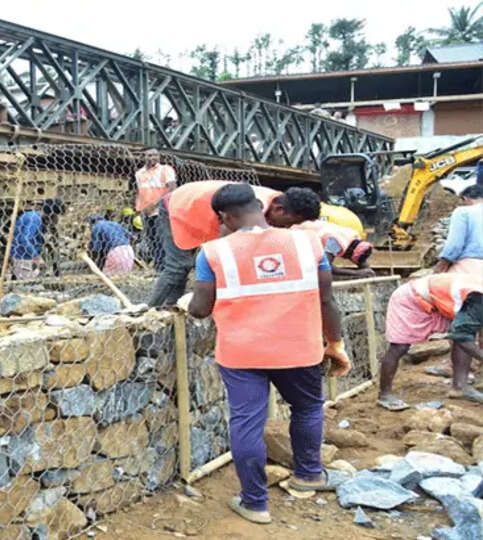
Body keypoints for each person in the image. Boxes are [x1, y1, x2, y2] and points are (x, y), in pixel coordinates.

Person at [183, 183, 349, 525]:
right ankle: (309, 474)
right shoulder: (308, 243)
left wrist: (189, 301)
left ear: (224, 217)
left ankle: (255, 503)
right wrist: (335, 343)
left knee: (246, 422)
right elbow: (326, 299)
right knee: (306, 408)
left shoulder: (213, 252)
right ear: (260, 205)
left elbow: (200, 309)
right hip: (299, 348)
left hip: (242, 353)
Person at [147, 180, 321, 307]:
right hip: (180, 204)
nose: (287, 227)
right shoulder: (252, 207)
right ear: (279, 210)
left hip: (205, 210)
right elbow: (226, 246)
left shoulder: (275, 204)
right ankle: (147, 314)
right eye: (288, 222)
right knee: (178, 266)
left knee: (182, 269)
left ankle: (171, 312)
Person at [377, 273, 483, 410]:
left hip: (440, 301)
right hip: (411, 299)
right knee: (400, 347)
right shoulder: (479, 298)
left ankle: (460, 386)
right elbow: (462, 335)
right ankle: (384, 394)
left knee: (466, 332)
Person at [134, 149, 178, 271]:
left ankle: (166, 268)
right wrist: (139, 208)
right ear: (144, 157)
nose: (153, 157)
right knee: (151, 240)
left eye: (155, 155)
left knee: (162, 239)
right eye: (149, 155)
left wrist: (155, 205)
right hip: (146, 212)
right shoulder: (139, 173)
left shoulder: (165, 170)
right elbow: (140, 192)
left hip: (162, 211)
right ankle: (158, 268)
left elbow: (172, 189)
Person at [293, 220, 376, 278]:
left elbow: (361, 261)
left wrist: (368, 271)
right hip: (295, 234)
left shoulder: (353, 238)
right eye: (348, 257)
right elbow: (326, 267)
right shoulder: (335, 243)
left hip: (308, 228)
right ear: (349, 253)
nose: (346, 258)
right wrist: (357, 273)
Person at [434, 184, 483, 276]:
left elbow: (455, 244)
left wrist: (442, 264)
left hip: (472, 266)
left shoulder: (463, 212)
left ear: (466, 199)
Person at [11, 198, 65, 280]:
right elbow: (24, 239)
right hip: (22, 258)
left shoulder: (34, 217)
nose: (57, 220)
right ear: (51, 214)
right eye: (57, 216)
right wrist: (37, 257)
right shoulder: (34, 219)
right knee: (30, 288)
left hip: (25, 257)